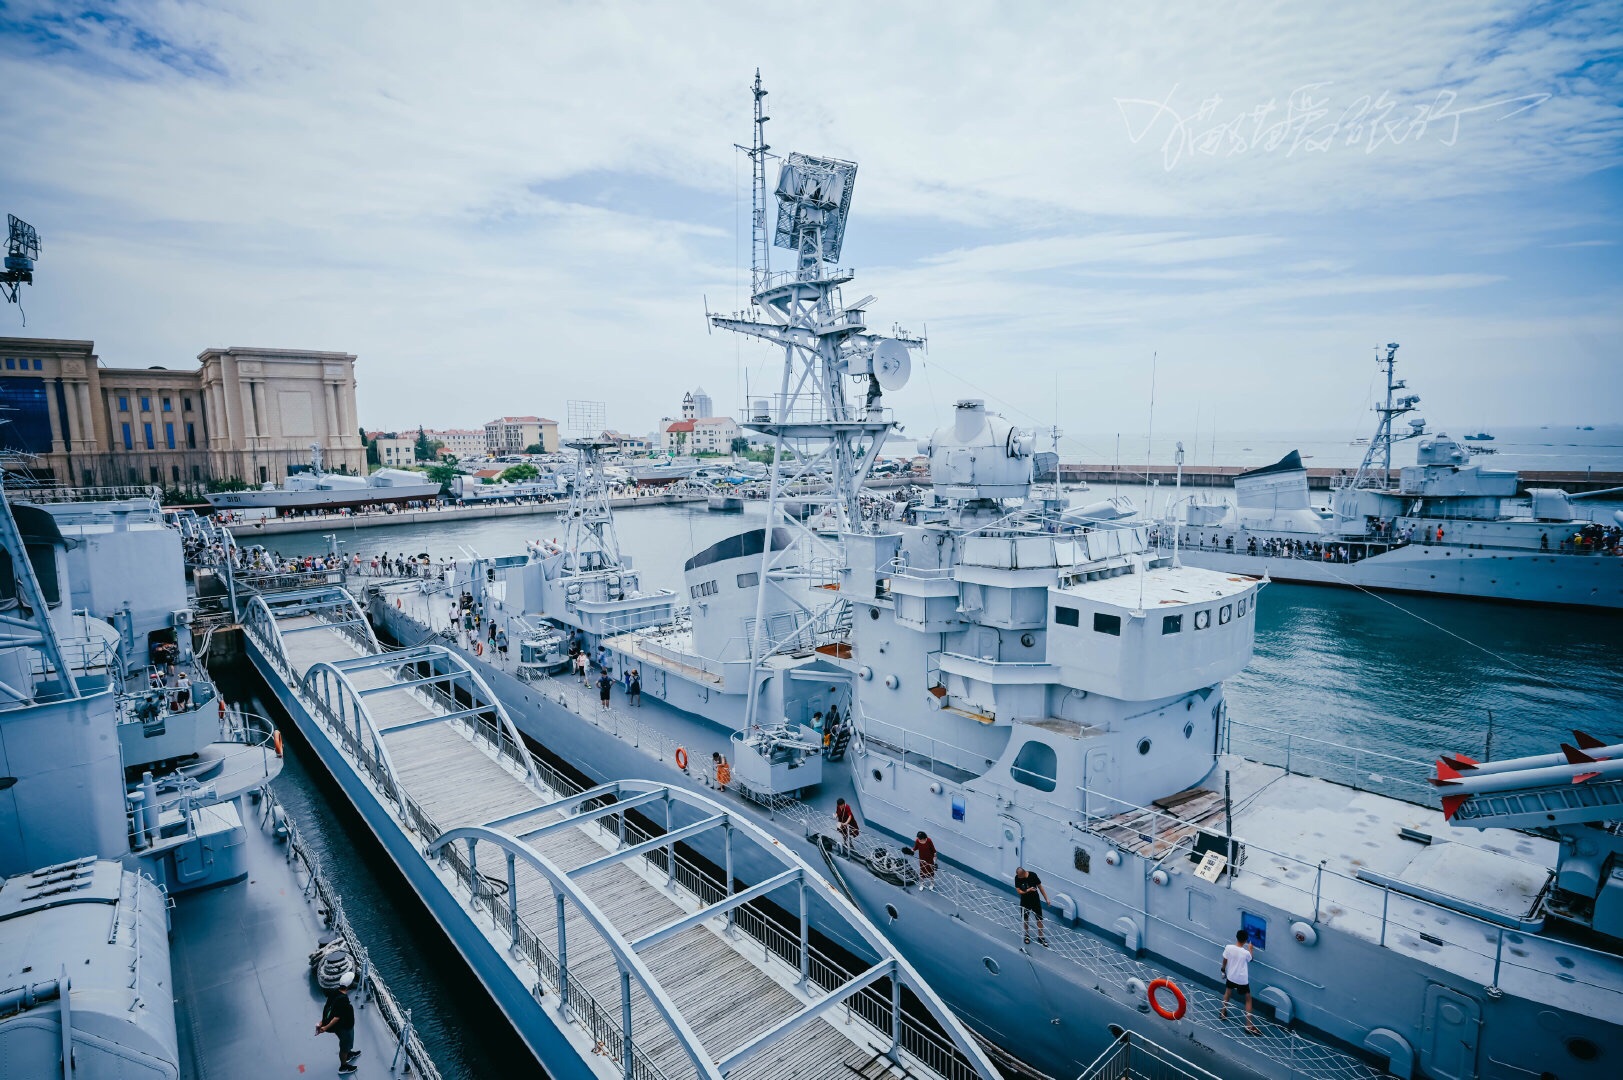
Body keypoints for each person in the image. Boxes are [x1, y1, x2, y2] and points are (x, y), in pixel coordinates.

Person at [315, 971, 361, 1074]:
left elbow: (328, 1008)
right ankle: (343, 1067)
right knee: (344, 1046)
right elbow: (336, 1017)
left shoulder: (335, 992)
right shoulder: (343, 999)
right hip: (344, 1028)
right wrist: (325, 1027)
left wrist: (322, 1022)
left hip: (341, 1027)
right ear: (349, 985)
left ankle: (348, 1054)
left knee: (346, 1045)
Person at [1220, 929, 1260, 1034]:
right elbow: (1251, 959)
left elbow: (1225, 960)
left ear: (1236, 937)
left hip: (1231, 976)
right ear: (1246, 940)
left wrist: (1223, 970)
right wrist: (1251, 949)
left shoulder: (1228, 948)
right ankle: (1249, 1026)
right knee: (1248, 999)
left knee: (1228, 992)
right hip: (1242, 980)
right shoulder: (1245, 952)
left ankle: (1223, 1013)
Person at [1014, 866, 1048, 947]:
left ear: (1024, 873)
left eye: (1020, 876)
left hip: (1035, 900)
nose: (1018, 878)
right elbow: (1019, 891)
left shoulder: (1033, 875)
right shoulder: (1017, 878)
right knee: (1025, 919)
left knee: (1039, 918)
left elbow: (1040, 887)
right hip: (1025, 901)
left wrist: (1046, 899)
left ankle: (1041, 937)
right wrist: (1029, 890)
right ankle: (1026, 935)